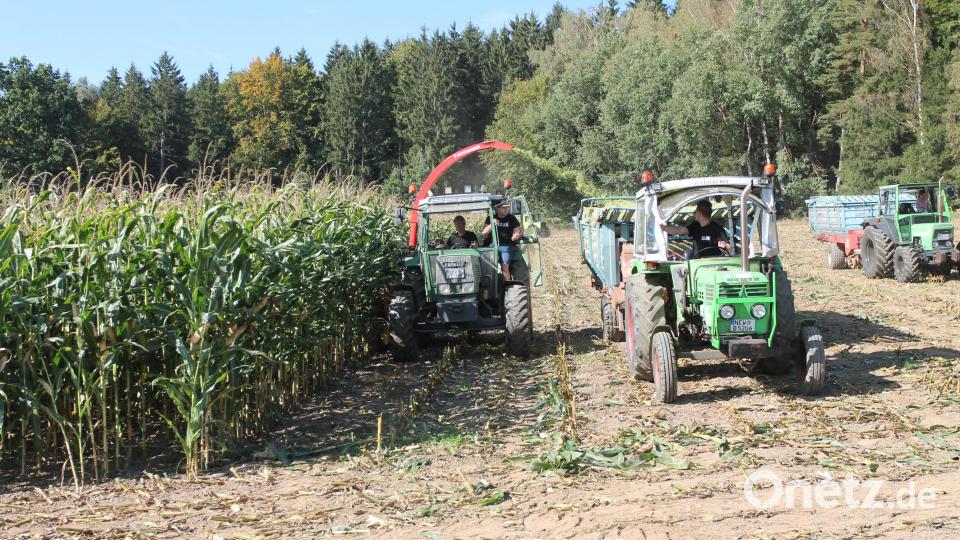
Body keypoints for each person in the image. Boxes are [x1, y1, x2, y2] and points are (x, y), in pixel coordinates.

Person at [660, 199, 731, 257]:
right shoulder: (695, 226)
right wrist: (663, 227)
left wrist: (724, 245)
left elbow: (728, 246)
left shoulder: (716, 228)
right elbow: (680, 230)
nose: (693, 214)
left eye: (695, 212)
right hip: (697, 263)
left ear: (700, 213)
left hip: (713, 263)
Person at [483, 201, 522, 280]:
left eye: (507, 207)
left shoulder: (511, 218)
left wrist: (516, 235)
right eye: (503, 208)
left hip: (506, 246)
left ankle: (506, 285)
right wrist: (492, 224)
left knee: (504, 267)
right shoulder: (491, 218)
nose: (506, 209)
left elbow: (518, 231)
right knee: (490, 266)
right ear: (497, 209)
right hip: (493, 246)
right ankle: (490, 285)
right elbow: (484, 233)